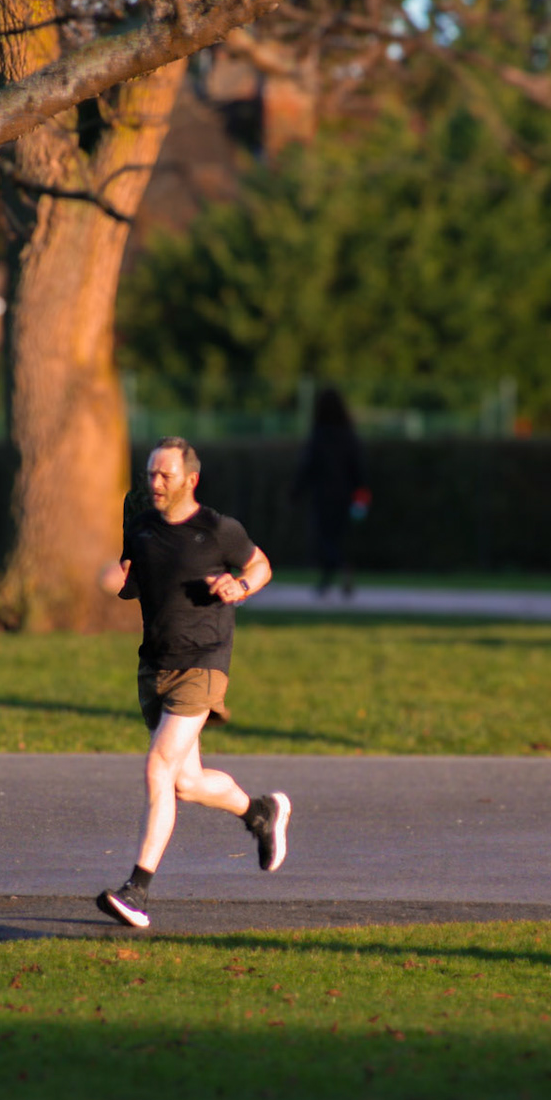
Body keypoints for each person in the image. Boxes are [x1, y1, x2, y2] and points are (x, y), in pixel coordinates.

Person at [96, 437, 288, 928]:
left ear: (190, 479)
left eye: (165, 475)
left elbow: (261, 564)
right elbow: (133, 581)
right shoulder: (139, 524)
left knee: (158, 767)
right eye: (150, 475)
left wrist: (239, 586)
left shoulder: (218, 530)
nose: (155, 483)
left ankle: (137, 890)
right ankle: (259, 812)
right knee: (185, 782)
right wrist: (116, 579)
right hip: (154, 664)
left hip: (204, 662)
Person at [292, 387, 366, 597]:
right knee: (337, 537)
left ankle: (337, 568)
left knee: (323, 539)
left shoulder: (319, 436)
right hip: (345, 496)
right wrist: (361, 495)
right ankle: (330, 578)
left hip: (323, 495)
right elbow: (358, 469)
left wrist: (297, 490)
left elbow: (308, 466)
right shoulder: (349, 436)